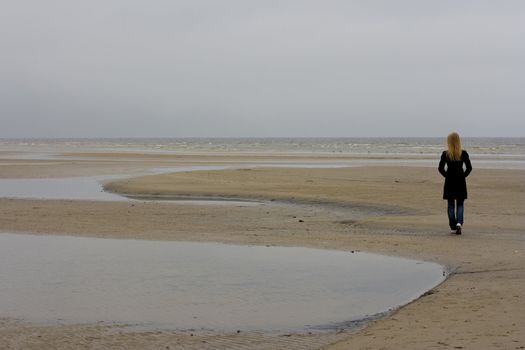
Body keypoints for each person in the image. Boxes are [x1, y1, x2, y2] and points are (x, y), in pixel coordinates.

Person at [438, 132, 472, 235]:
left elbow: (440, 168)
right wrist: (463, 176)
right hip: (460, 181)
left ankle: (453, 226)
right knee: (460, 204)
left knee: (450, 204)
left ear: (449, 142)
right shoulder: (463, 153)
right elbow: (469, 168)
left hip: (449, 181)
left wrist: (447, 176)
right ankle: (459, 223)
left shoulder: (445, 154)